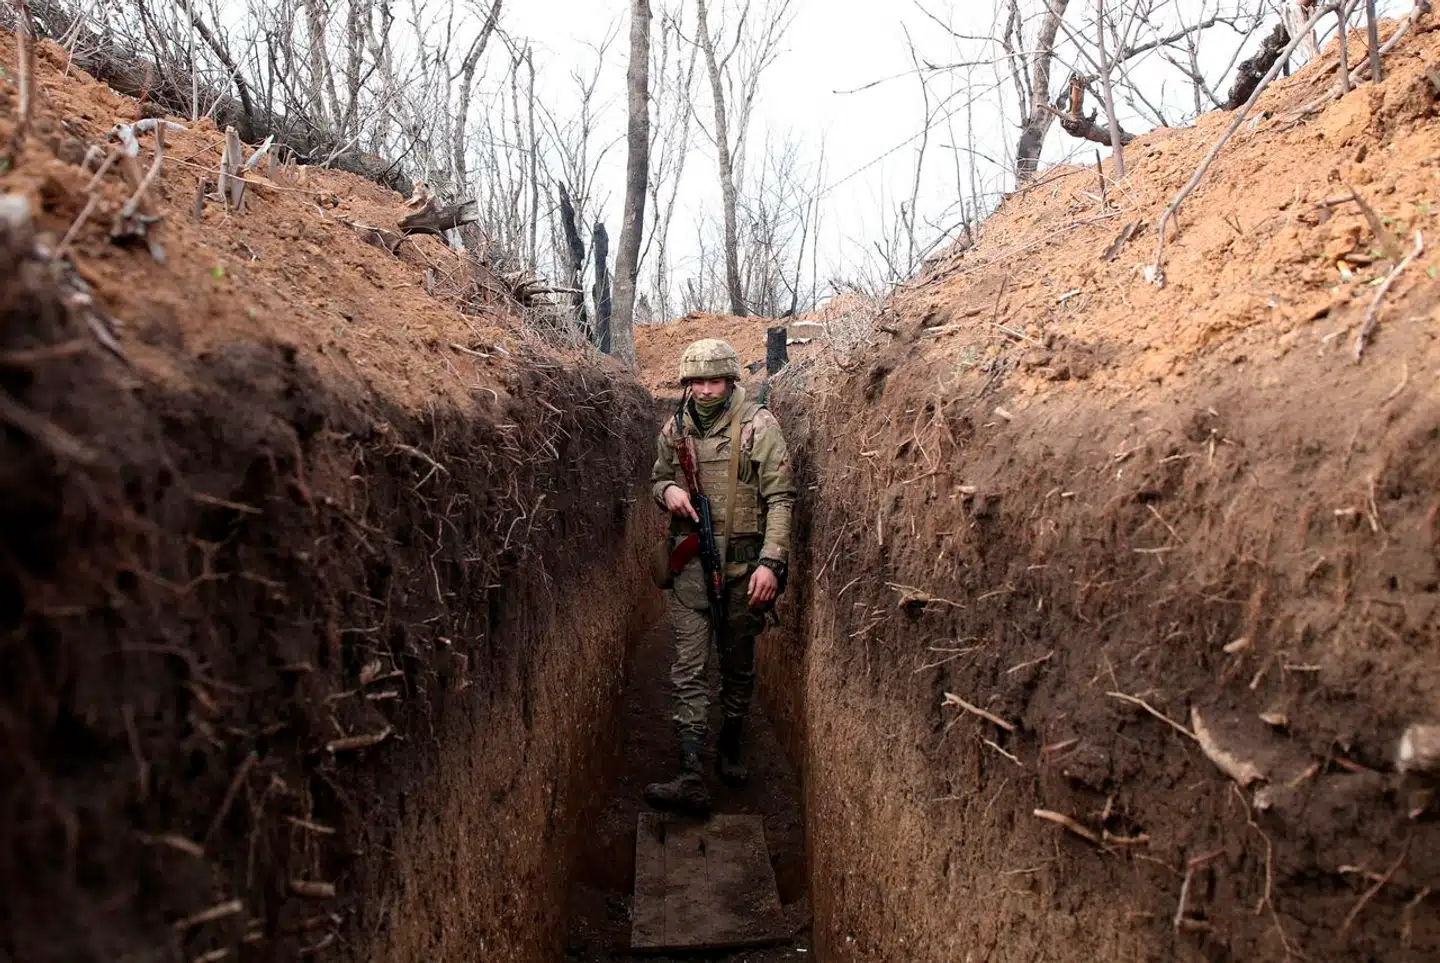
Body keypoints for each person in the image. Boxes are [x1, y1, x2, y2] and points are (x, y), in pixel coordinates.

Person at [643, 338, 796, 813]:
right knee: (688, 667)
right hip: (691, 570)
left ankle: (730, 743)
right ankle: (690, 769)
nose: (706, 390)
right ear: (687, 384)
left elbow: (780, 498)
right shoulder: (675, 429)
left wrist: (771, 562)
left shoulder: (759, 425)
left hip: (745, 571)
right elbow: (657, 478)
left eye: (715, 381)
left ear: (730, 381)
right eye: (698, 382)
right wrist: (667, 491)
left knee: (736, 663)